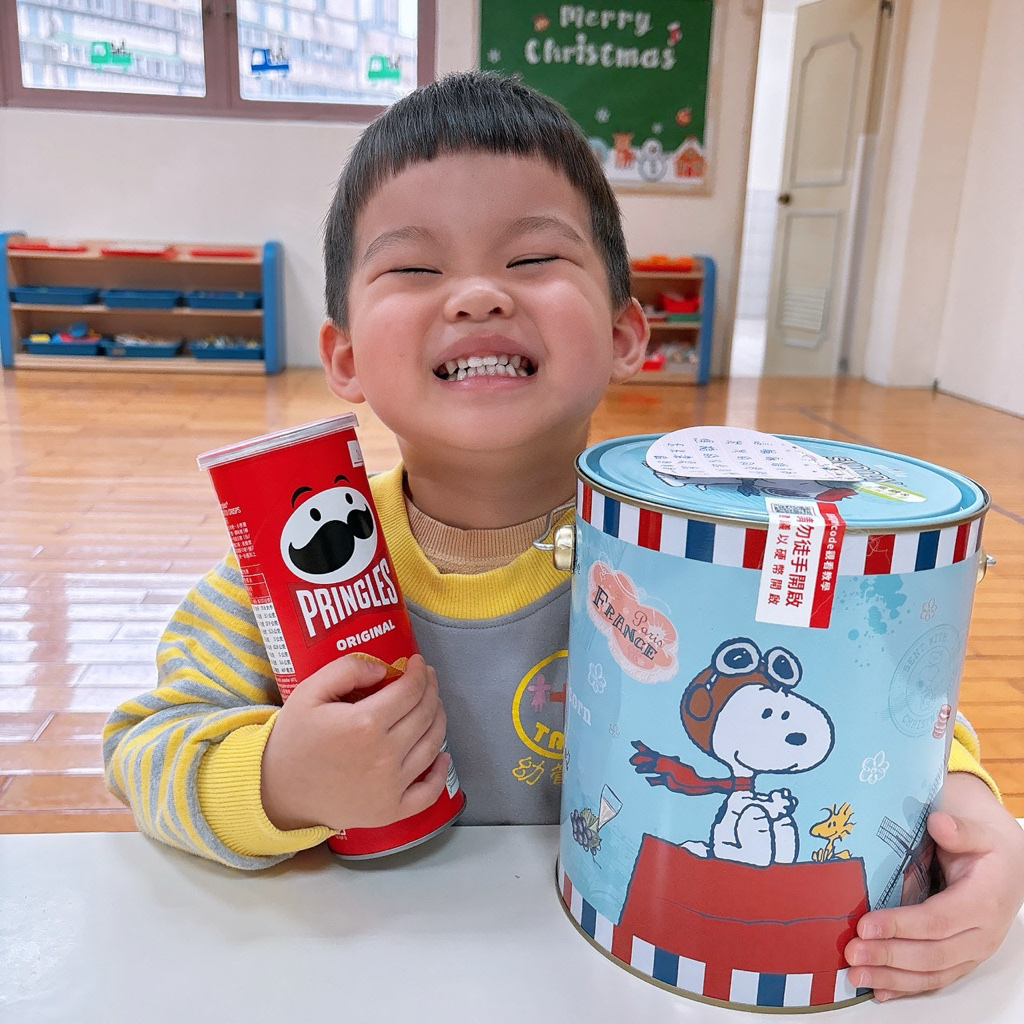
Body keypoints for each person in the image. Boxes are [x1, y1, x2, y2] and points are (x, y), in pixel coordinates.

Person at [103, 71, 1024, 1001]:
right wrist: (279, 781)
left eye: (533, 258)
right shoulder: (294, 571)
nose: (476, 296)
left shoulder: (706, 558)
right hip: (377, 979)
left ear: (625, 333)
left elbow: (876, 712)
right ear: (343, 356)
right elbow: (146, 749)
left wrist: (974, 822)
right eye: (414, 269)